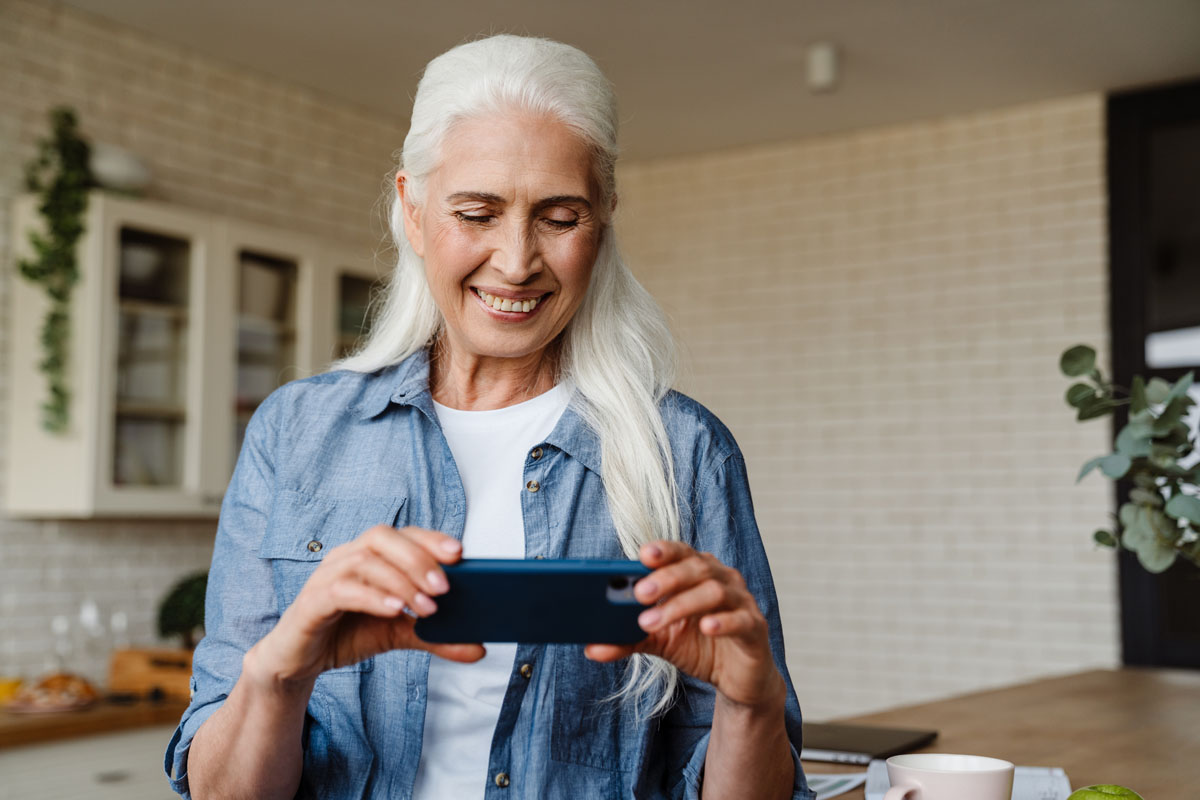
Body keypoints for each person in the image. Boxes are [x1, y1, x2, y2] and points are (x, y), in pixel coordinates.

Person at [165, 34, 815, 800]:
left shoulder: (687, 451)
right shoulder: (296, 434)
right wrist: (283, 669)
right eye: (476, 213)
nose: (515, 260)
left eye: (560, 217)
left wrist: (752, 701)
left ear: (604, 219)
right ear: (411, 208)